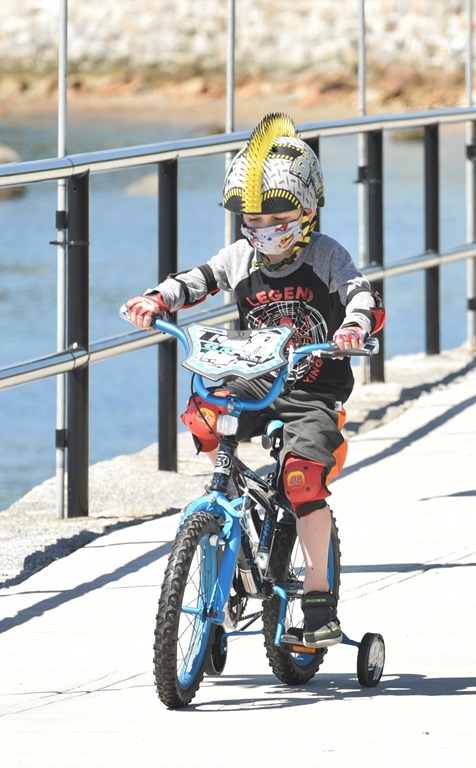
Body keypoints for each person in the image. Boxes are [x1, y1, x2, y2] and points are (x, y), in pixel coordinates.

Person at [124, 113, 385, 649]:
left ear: (308, 211)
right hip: (255, 378)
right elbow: (198, 279)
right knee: (204, 412)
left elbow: (362, 295)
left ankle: (318, 601)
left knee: (303, 482)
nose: (264, 230)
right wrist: (157, 299)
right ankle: (235, 494)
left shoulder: (326, 256)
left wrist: (355, 327)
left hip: (313, 389)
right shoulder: (241, 257)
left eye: (277, 218)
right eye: (253, 219)